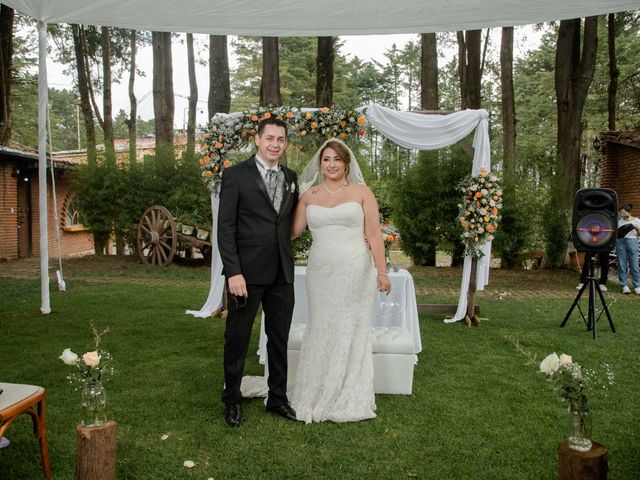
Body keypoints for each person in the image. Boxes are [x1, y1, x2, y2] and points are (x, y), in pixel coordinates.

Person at [289, 138, 391, 424]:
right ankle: (316, 387)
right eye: (326, 159)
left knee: (350, 326)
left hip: (355, 269)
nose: (331, 164)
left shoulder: (362, 192)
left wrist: (381, 272)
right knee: (321, 324)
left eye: (336, 159)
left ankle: (348, 389)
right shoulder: (309, 195)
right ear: (320, 164)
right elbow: (292, 231)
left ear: (347, 163)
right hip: (320, 272)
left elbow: (373, 235)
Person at [217, 117, 299, 426]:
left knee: (279, 339)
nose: (275, 144)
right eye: (270, 138)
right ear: (257, 140)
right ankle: (232, 399)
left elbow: (288, 223)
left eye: (280, 139)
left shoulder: (291, 177)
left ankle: (277, 398)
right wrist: (233, 272)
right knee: (237, 338)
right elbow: (225, 229)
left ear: (285, 143)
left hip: (282, 274)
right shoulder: (235, 176)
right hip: (245, 276)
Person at [615, 204, 640, 295]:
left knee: (634, 264)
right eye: (621, 212)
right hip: (620, 242)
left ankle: (637, 286)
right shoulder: (618, 221)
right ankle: (624, 286)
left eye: (624, 212)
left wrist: (635, 227)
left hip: (632, 242)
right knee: (622, 264)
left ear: (629, 212)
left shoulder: (636, 220)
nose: (622, 214)